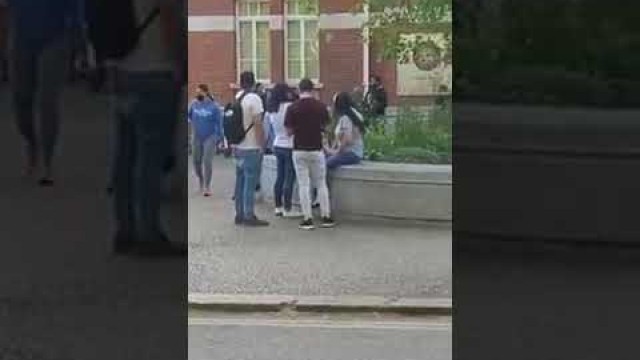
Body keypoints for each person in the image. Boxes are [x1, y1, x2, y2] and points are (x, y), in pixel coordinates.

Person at [110, 0, 186, 256]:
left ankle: (125, 228)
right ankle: (148, 233)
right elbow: (169, 19)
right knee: (149, 159)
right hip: (156, 71)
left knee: (125, 156)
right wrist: (180, 62)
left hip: (122, 70)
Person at [6, 0, 80, 185]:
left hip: (56, 37)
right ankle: (32, 143)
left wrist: (78, 37)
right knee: (21, 100)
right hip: (22, 37)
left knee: (47, 100)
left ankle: (47, 163)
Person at [285, 78, 335, 230]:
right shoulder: (320, 107)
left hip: (299, 149)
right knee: (321, 183)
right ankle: (326, 216)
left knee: (303, 184)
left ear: (299, 90)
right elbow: (327, 128)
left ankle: (307, 218)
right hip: (316, 149)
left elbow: (288, 131)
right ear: (313, 90)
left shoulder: (292, 107)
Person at [233, 71, 269, 227]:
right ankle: (249, 215)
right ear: (253, 83)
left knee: (239, 180)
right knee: (250, 181)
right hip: (251, 145)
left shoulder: (238, 97)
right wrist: (262, 145)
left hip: (238, 145)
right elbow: (258, 124)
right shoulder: (254, 99)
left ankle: (239, 213)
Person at [268, 83, 302, 218]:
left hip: (277, 143)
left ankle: (278, 206)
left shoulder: (272, 110)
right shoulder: (290, 107)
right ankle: (288, 207)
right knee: (289, 177)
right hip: (290, 144)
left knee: (280, 177)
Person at [188, 84, 222, 197]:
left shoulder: (214, 106)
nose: (197, 95)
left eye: (200, 93)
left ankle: (207, 186)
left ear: (206, 93)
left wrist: (220, 138)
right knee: (196, 161)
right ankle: (201, 180)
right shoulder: (193, 104)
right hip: (196, 136)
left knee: (207, 161)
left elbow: (219, 123)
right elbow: (188, 118)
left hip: (210, 136)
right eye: (196, 92)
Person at [325, 92, 366, 169]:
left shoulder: (346, 118)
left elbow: (347, 139)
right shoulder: (355, 113)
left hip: (350, 153)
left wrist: (336, 151)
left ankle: (323, 181)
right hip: (357, 152)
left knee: (326, 163)